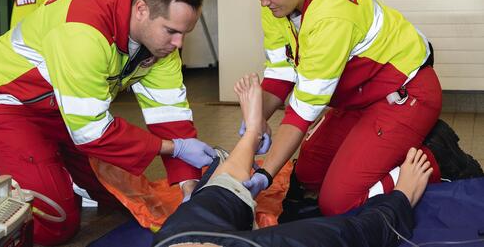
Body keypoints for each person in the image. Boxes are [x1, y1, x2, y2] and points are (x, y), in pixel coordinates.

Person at [0, 0, 216, 245]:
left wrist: (188, 186)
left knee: (120, 194)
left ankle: (7, 160)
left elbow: (169, 117)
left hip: (58, 107)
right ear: (141, 10)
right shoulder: (84, 29)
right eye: (171, 31)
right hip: (8, 101)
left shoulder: (161, 46)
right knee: (55, 219)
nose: (178, 43)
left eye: (184, 33)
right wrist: (175, 148)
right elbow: (92, 133)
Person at [240, 0, 483, 218]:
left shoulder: (331, 16)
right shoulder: (278, 3)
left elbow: (302, 112)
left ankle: (433, 158)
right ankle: (390, 148)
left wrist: (265, 175)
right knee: (308, 176)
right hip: (359, 97)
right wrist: (254, 123)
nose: (263, 3)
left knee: (339, 202)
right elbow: (280, 72)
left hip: (404, 94)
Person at [153, 73, 433, 247]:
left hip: (179, 240)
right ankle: (427, 158)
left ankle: (251, 133)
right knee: (339, 211)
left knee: (218, 194)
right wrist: (400, 198)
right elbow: (354, 234)